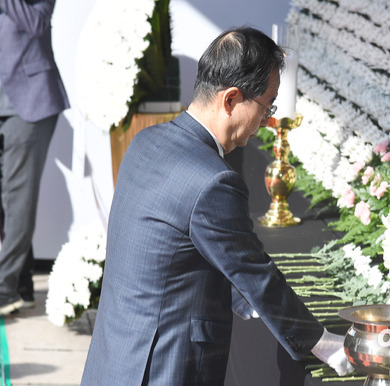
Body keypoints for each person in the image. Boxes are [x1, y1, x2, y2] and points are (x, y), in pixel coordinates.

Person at [81, 27, 352, 385]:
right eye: (266, 106)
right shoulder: (213, 181)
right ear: (231, 99)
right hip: (163, 366)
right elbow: (256, 275)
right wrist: (324, 343)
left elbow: (171, 252)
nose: (268, 121)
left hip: (114, 358)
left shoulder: (145, 143)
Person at [0, 0, 69, 315]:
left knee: (17, 198)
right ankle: (22, 284)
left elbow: (37, 23)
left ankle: (4, 288)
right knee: (8, 202)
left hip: (29, 102)